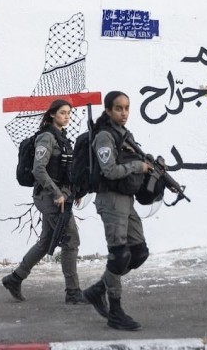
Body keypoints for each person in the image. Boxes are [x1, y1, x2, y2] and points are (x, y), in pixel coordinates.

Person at [2, 99, 87, 304]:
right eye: (62, 113)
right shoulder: (47, 137)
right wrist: (57, 193)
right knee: (71, 241)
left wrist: (74, 192)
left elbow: (66, 170)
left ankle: (15, 278)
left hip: (59, 196)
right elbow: (38, 169)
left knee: (46, 242)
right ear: (52, 114)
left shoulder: (62, 137)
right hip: (50, 197)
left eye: (69, 113)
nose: (67, 117)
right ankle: (73, 291)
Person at [82, 91, 151, 331]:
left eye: (127, 108)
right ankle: (115, 312)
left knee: (139, 252)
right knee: (119, 255)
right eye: (119, 108)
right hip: (110, 200)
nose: (124, 113)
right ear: (108, 110)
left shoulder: (125, 134)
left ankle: (98, 289)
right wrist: (137, 166)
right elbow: (109, 171)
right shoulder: (104, 136)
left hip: (126, 200)